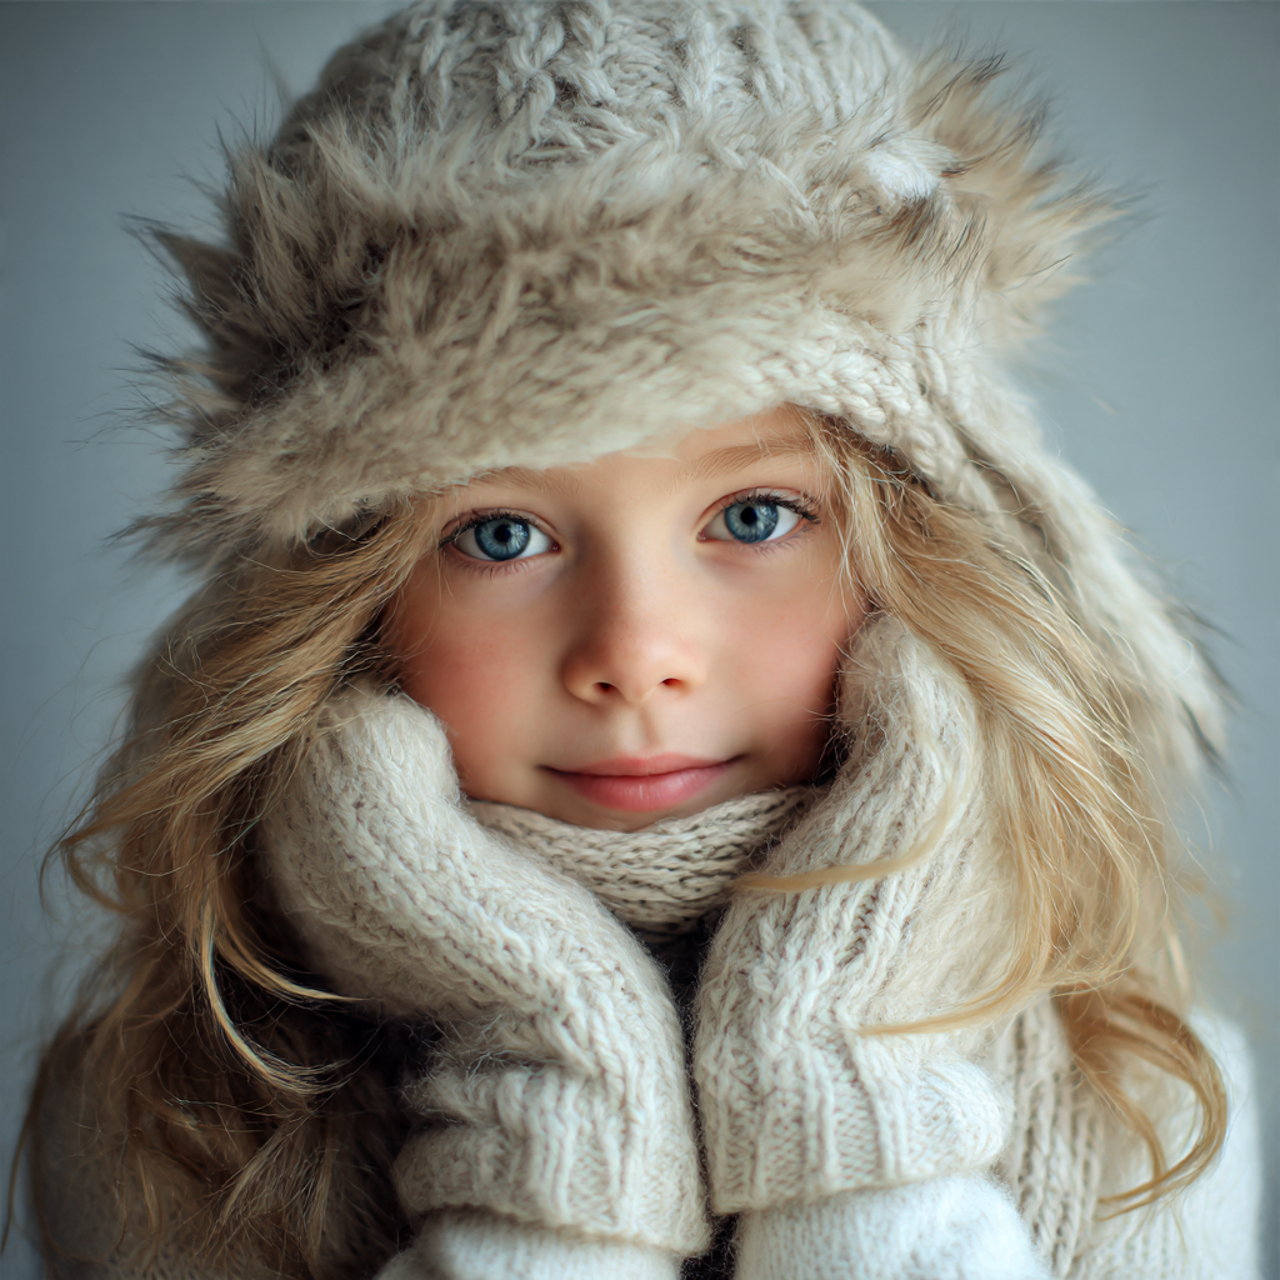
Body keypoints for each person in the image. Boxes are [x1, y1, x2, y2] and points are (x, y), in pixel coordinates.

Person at [22, 2, 1261, 1277]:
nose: (635, 651)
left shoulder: (1143, 1106)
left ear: (918, 547)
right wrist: (550, 1138)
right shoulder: (165, 1119)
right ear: (354, 594)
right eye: (500, 534)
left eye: (754, 513)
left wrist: (843, 1105)